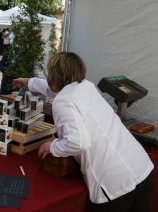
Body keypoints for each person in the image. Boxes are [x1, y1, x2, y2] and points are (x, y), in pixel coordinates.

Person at [12, 52, 154, 211]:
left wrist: (52, 146)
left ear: (56, 76)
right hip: (142, 168)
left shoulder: (62, 101)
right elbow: (56, 89)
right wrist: (29, 83)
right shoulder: (86, 86)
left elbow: (78, 142)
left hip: (115, 185)